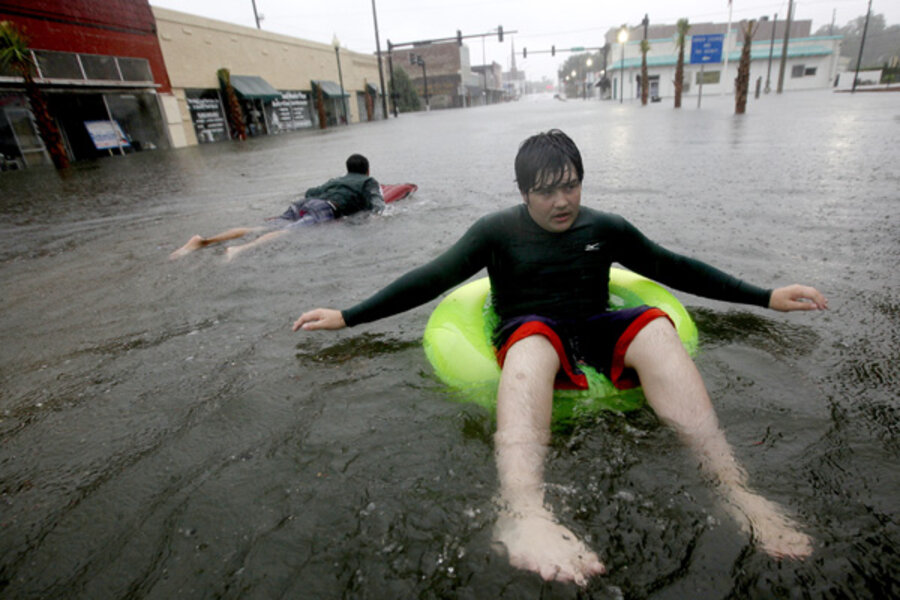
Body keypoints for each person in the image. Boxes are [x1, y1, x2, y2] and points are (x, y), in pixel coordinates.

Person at [292, 130, 828, 586]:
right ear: (524, 192)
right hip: (530, 331)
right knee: (531, 343)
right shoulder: (495, 233)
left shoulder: (605, 228)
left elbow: (676, 268)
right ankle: (522, 512)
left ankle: (735, 492)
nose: (561, 201)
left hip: (595, 326)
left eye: (570, 185)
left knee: (658, 330)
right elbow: (431, 279)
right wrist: (348, 316)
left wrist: (765, 296)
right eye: (546, 192)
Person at [169, 153, 384, 260]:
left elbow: (310, 192)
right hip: (325, 209)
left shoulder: (335, 180)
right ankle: (239, 249)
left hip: (303, 204)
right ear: (367, 170)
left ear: (346, 169)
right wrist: (376, 217)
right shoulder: (368, 181)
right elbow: (377, 204)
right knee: (285, 233)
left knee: (260, 228)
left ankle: (204, 240)